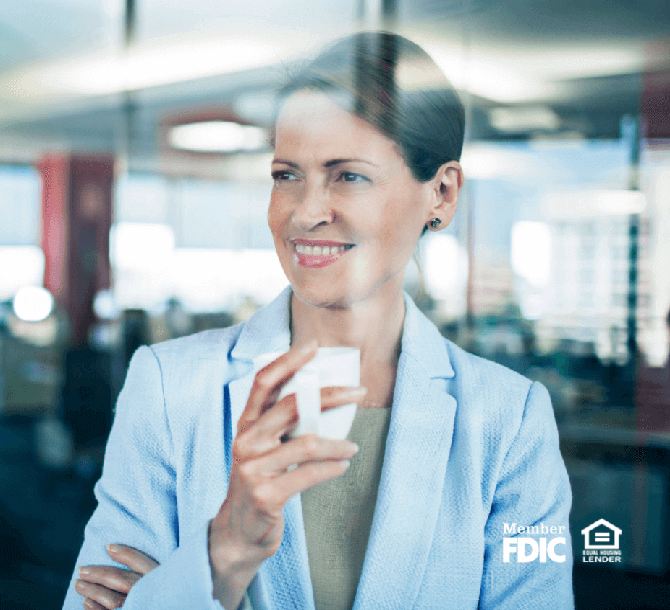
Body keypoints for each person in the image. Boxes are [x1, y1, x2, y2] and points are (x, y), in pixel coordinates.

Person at [64, 31, 573, 610]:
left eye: (348, 175)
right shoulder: (167, 385)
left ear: (442, 192)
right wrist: (223, 554)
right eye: (286, 175)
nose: (305, 213)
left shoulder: (509, 419)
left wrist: (164, 593)